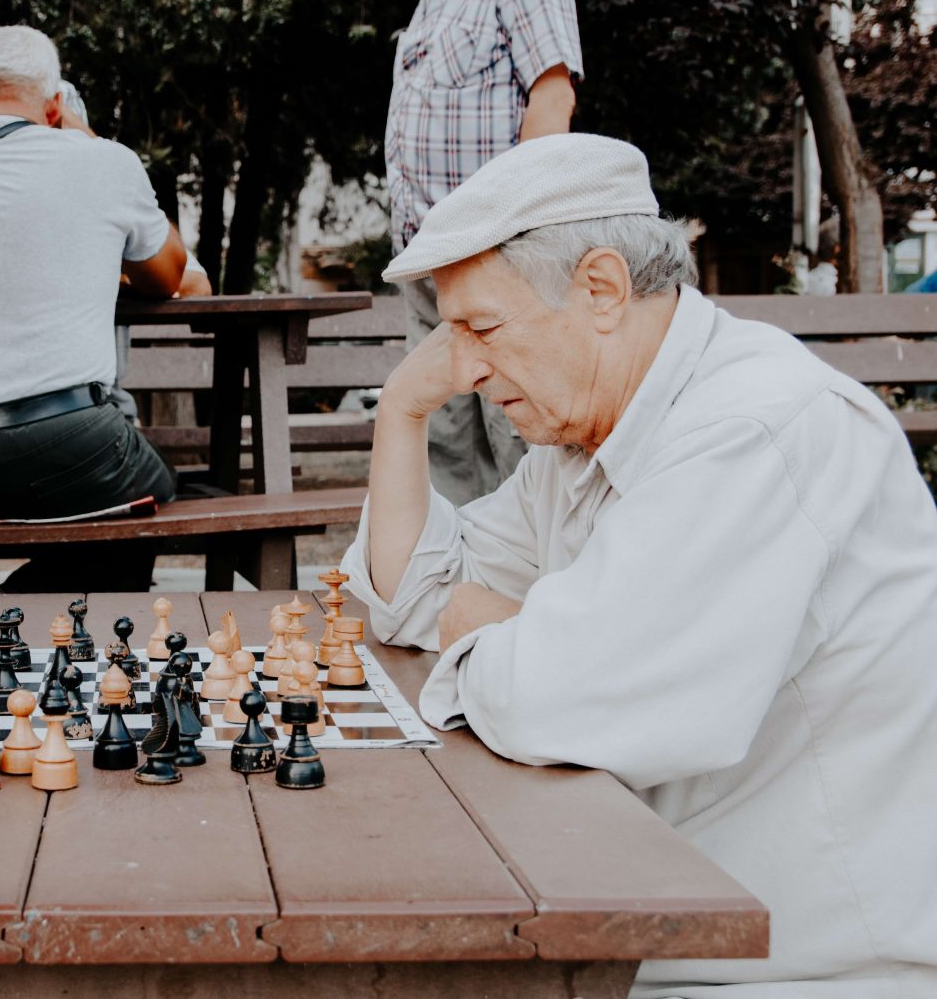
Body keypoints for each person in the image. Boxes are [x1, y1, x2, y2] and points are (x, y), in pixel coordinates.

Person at [341, 134, 937, 996]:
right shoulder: (584, 434)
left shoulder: (753, 431)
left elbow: (561, 699)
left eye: (483, 328)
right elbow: (416, 603)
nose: (464, 369)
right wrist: (400, 410)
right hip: (655, 916)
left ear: (602, 289)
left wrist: (501, 628)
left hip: (802, 963)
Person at [0, 25, 189, 594]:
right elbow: (166, 276)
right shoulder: (104, 160)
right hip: (67, 444)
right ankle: (16, 608)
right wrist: (88, 138)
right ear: (55, 106)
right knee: (152, 496)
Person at [370, 0, 582, 505]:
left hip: (494, 253)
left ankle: (532, 591)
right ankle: (459, 587)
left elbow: (551, 97)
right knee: (443, 437)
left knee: (515, 430)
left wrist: (514, 233)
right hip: (425, 259)